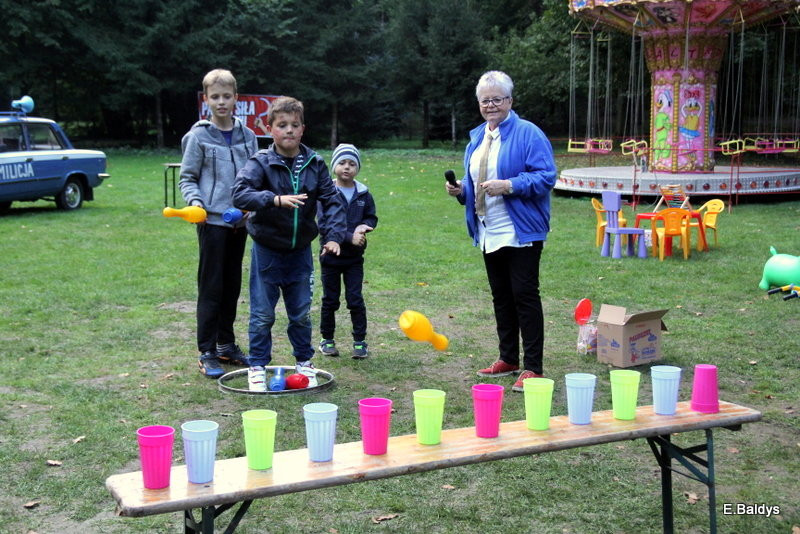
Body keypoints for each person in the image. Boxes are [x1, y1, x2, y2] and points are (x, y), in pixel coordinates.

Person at [445, 70, 556, 392]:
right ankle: (508, 358)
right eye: (485, 100)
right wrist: (461, 191)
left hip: (520, 229)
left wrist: (510, 185)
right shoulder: (479, 136)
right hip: (488, 228)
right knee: (501, 297)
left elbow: (546, 176)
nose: (490, 105)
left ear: (510, 100)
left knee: (524, 295)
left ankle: (534, 367)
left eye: (497, 99)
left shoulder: (528, 133)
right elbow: (476, 182)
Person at [232, 96, 346, 391]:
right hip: (267, 252)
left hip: (300, 254)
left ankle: (304, 363)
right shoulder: (261, 162)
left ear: (302, 129)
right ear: (270, 129)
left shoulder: (315, 163)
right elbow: (240, 193)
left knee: (300, 313)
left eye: (295, 125)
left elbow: (331, 201)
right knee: (261, 314)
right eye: (282, 125)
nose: (289, 131)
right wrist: (274, 200)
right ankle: (257, 365)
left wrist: (332, 237)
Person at [179, 68, 258, 378]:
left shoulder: (248, 136)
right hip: (212, 224)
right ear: (206, 100)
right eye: (215, 97)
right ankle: (207, 350)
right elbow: (188, 178)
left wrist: (252, 205)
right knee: (211, 287)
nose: (221, 102)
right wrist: (196, 203)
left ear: (236, 98)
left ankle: (226, 345)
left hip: (241, 224)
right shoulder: (198, 136)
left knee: (231, 286)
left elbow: (256, 175)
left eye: (227, 96)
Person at [317, 143, 378, 359]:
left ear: (357, 168)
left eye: (352, 164)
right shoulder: (326, 193)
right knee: (330, 300)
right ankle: (327, 339)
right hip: (331, 257)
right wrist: (349, 236)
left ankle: (360, 342)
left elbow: (371, 217)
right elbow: (323, 224)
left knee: (355, 299)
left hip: (354, 259)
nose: (346, 167)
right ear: (334, 166)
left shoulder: (363, 194)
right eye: (342, 163)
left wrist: (363, 227)